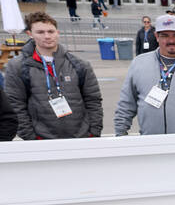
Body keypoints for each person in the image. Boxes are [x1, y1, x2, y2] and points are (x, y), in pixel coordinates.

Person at [5, 11, 103, 141]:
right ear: (30, 34)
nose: (47, 36)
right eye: (40, 32)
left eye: (51, 31)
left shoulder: (79, 64)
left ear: (57, 32)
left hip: (81, 138)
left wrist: (93, 132)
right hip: (41, 141)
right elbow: (15, 105)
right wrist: (31, 138)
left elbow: (93, 100)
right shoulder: (18, 66)